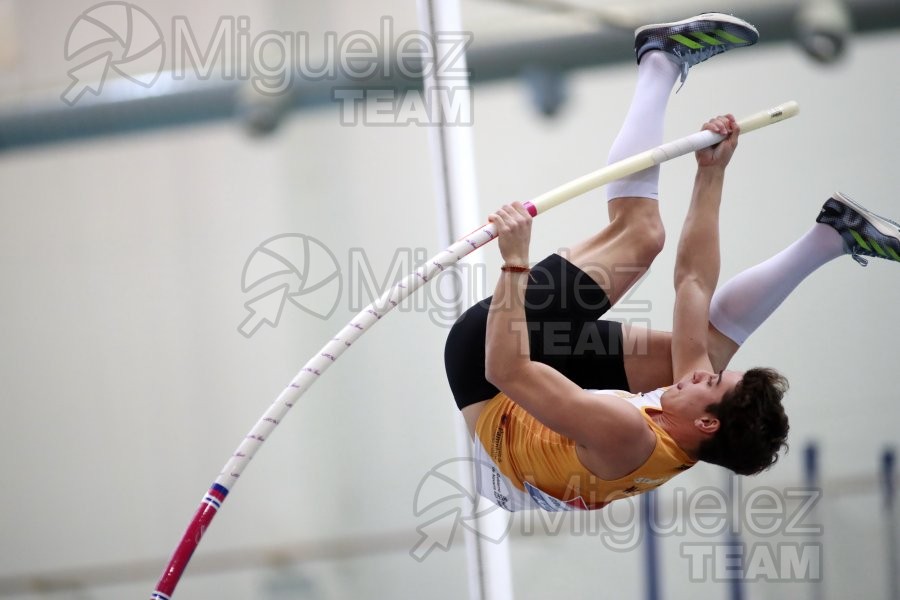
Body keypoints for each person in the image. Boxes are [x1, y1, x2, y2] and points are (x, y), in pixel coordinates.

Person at [443, 13, 900, 512]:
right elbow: (693, 285)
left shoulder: (625, 434)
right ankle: (833, 236)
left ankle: (658, 59)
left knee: (639, 236)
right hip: (532, 395)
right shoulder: (692, 430)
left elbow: (505, 367)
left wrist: (515, 262)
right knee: (706, 343)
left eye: (709, 385)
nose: (700, 374)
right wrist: (712, 173)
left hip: (487, 369)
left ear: (708, 422)